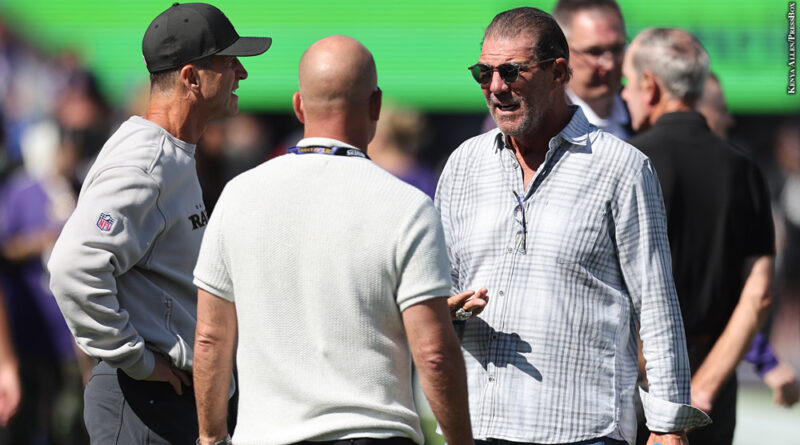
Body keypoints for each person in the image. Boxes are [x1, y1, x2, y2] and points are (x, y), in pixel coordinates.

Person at [436, 7, 708, 445]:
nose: (496, 87)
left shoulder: (623, 168)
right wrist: (445, 310)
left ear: (558, 71)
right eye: (483, 73)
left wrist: (668, 425)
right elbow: (438, 288)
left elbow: (657, 304)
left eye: (511, 72)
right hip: (479, 426)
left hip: (583, 429)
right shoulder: (464, 165)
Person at [192, 35, 473, 445]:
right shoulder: (406, 206)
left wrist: (211, 437)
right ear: (375, 105)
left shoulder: (238, 195)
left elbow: (210, 337)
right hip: (375, 434)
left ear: (299, 105)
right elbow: (433, 353)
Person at [47, 3, 270, 443]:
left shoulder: (166, 156)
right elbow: (72, 268)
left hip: (157, 401)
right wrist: (139, 361)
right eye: (229, 61)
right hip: (143, 403)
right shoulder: (148, 162)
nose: (241, 73)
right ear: (191, 78)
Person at [621, 28, 775, 444]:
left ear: (649, 85)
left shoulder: (626, 164)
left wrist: (659, 387)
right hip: (714, 392)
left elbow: (617, 287)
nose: (625, 95)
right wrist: (707, 382)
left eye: (628, 83)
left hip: (635, 387)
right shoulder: (745, 170)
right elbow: (758, 292)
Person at [696, 72, 800, 409]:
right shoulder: (647, 166)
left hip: (707, 380)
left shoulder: (736, 179)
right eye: (720, 108)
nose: (730, 118)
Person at [553, 0, 631, 139]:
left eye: (617, 49)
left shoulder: (644, 115)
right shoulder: (545, 126)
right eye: (594, 52)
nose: (609, 64)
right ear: (560, 52)